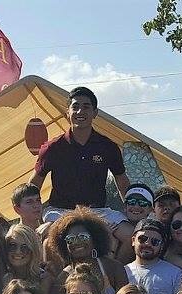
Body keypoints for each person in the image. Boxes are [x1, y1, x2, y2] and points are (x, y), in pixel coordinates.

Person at [30, 86, 131, 229]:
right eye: (75, 107)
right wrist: (34, 215)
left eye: (86, 107)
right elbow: (33, 186)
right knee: (46, 237)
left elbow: (123, 184)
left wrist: (132, 210)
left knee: (128, 234)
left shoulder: (108, 147)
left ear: (95, 113)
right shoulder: (52, 147)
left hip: (97, 212)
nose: (80, 112)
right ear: (67, 112)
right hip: (59, 212)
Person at [47, 209, 129, 294]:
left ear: (94, 239)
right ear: (64, 245)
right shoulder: (63, 278)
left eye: (83, 237)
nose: (77, 242)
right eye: (70, 239)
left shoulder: (114, 268)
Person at [124, 218, 182, 294]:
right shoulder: (122, 272)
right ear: (133, 240)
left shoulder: (175, 274)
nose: (147, 244)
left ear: (161, 246)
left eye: (155, 242)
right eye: (142, 239)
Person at [4, 224, 53, 294]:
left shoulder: (44, 279)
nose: (18, 251)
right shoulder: (2, 275)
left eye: (24, 247)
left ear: (32, 250)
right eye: (12, 246)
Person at [113, 184, 155, 265]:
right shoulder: (112, 220)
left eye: (142, 203)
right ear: (125, 206)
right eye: (131, 202)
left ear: (151, 209)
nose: (136, 206)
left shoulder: (155, 231)